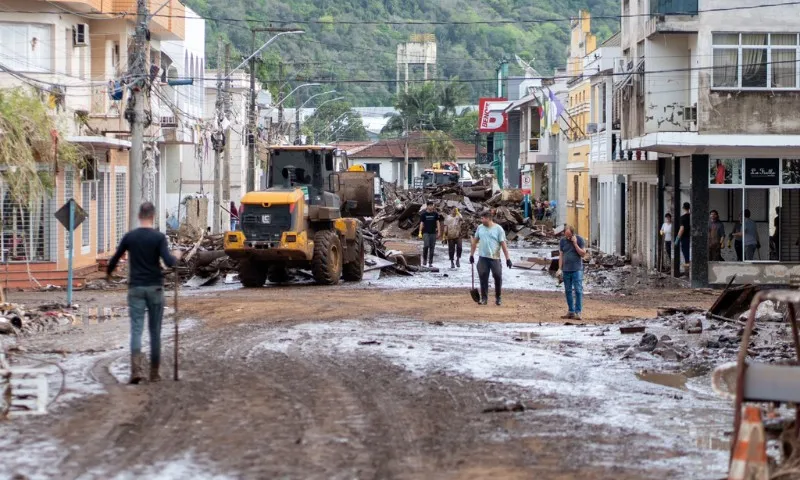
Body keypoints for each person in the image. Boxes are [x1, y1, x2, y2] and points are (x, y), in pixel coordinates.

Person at [107, 202, 180, 384]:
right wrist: (176, 256)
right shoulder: (159, 238)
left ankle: (136, 371)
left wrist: (108, 274)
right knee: (155, 331)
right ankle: (154, 373)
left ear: (139, 216)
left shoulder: (130, 237)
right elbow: (169, 262)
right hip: (155, 287)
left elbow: (115, 259)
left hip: (136, 288)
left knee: (136, 330)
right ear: (153, 217)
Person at [469, 211, 512, 306]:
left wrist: (507, 258)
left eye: (483, 218)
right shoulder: (480, 228)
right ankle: (484, 298)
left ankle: (498, 297)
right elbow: (475, 242)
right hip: (483, 258)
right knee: (483, 277)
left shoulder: (498, 229)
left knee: (497, 276)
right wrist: (471, 255)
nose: (481, 220)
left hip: (495, 258)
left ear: (488, 218)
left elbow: (503, 245)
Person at [558, 225, 586, 320]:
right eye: (566, 235)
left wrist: (575, 244)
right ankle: (571, 311)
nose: (567, 237)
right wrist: (559, 268)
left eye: (569, 235)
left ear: (573, 234)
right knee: (568, 291)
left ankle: (578, 312)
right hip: (566, 270)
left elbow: (583, 254)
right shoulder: (562, 241)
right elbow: (561, 255)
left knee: (578, 290)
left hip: (577, 269)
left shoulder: (579, 239)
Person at [418, 201, 442, 268]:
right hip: (426, 233)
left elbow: (438, 223)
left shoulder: (435, 214)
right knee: (426, 246)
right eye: (430, 205)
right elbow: (421, 223)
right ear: (427, 206)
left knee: (432, 248)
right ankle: (425, 259)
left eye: (432, 205)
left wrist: (439, 232)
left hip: (433, 233)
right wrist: (420, 232)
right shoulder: (423, 214)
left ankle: (430, 262)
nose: (431, 207)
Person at [675, 202, 691, 267]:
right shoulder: (692, 217)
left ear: (683, 208)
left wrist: (677, 239)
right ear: (689, 208)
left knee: (686, 254)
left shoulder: (682, 218)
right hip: (693, 238)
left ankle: (688, 273)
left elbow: (682, 229)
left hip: (685, 238)